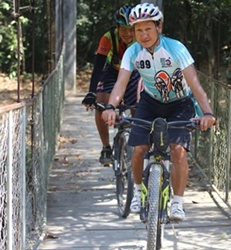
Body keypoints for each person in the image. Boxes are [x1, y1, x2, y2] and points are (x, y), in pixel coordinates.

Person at [102, 3, 216, 221]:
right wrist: (111, 107)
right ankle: (136, 192)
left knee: (178, 150)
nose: (143, 35)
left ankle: (178, 204)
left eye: (148, 29)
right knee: (139, 149)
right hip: (150, 102)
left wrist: (207, 113)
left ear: (159, 27)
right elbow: (121, 84)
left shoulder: (176, 49)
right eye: (138, 30)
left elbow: (195, 85)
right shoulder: (132, 52)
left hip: (180, 103)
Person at [82, 5, 140, 166]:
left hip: (134, 72)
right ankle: (106, 147)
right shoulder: (108, 38)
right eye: (124, 30)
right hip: (112, 71)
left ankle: (139, 140)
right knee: (101, 103)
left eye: (131, 29)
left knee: (139, 105)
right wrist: (91, 93)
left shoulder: (142, 38)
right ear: (117, 27)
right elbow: (98, 66)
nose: (128, 34)